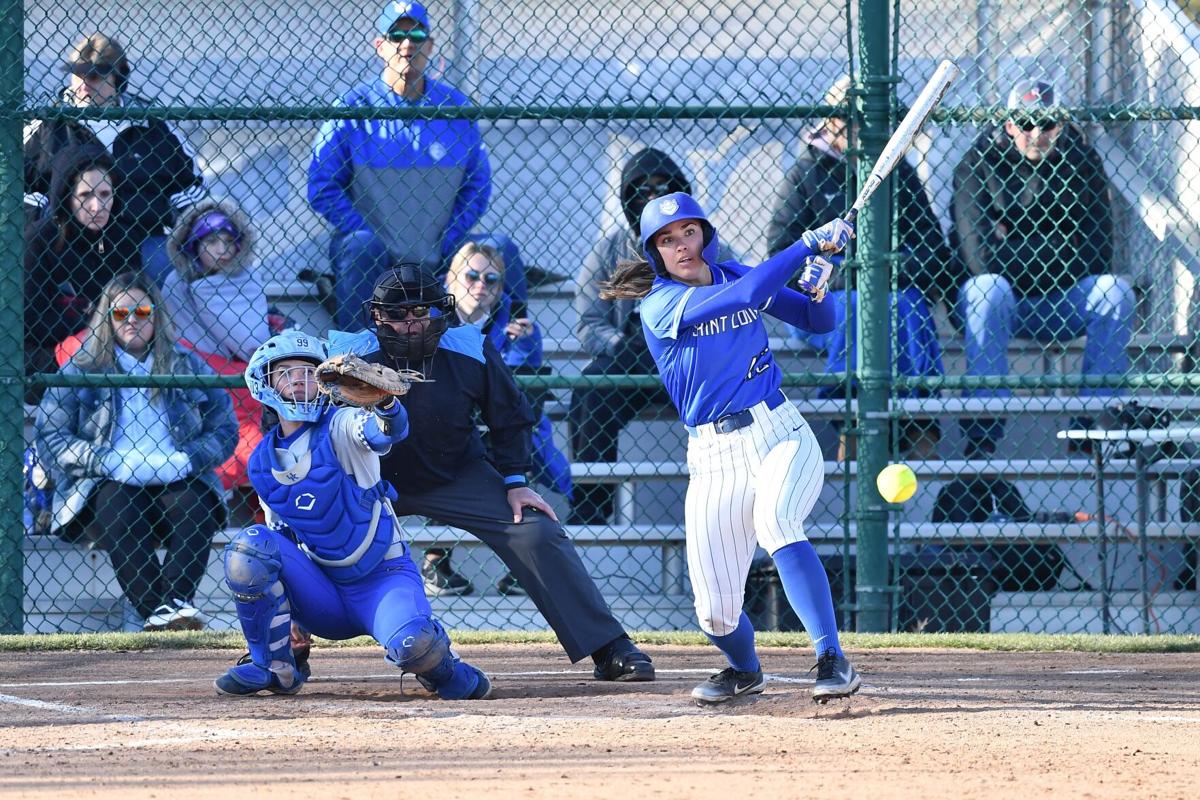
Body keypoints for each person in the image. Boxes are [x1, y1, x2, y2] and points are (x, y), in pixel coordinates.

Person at [320, 264, 655, 682]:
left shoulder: (467, 346)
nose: (410, 325)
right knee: (306, 532)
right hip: (370, 480)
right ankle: (284, 650)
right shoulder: (348, 353)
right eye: (398, 315)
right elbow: (319, 428)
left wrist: (515, 481)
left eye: (420, 313)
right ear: (376, 317)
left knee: (536, 530)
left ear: (439, 310)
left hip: (456, 473)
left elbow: (510, 416)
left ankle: (608, 646)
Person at [602, 191, 861, 705]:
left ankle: (831, 656)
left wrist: (817, 285)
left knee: (778, 521)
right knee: (714, 612)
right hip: (713, 457)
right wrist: (805, 245)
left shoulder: (735, 273)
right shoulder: (661, 304)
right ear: (655, 253)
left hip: (779, 431)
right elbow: (747, 297)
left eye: (689, 233)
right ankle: (745, 670)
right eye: (667, 240)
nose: (682, 247)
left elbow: (819, 322)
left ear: (706, 234)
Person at [213, 331, 492, 699]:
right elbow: (280, 540)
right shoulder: (263, 461)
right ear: (265, 385)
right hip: (323, 594)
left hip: (381, 580)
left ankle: (445, 668)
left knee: (414, 644)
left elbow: (383, 433)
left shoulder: (342, 425)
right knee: (250, 549)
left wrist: (386, 406)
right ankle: (276, 666)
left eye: (308, 371)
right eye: (284, 372)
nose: (298, 378)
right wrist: (294, 617)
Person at [766, 76, 958, 460]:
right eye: (847, 118)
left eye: (865, 119)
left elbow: (933, 250)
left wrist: (885, 271)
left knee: (904, 307)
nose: (856, 127)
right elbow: (781, 257)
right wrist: (855, 272)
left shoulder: (899, 173)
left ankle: (919, 425)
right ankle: (850, 428)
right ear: (831, 120)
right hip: (820, 299)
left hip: (893, 289)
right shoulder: (806, 172)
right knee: (855, 307)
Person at [35, 271, 237, 631]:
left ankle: (173, 605)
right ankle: (157, 611)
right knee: (117, 503)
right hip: (105, 480)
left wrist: (187, 459)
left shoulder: (185, 364)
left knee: (196, 504)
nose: (131, 321)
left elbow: (225, 428)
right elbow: (51, 436)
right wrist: (106, 461)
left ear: (156, 315)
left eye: (142, 312)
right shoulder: (81, 368)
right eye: (120, 312)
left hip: (175, 473)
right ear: (106, 317)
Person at [952, 79, 1130, 457]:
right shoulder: (977, 163)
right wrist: (1060, 247)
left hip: (1060, 302)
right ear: (1009, 124)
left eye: (1047, 124)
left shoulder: (1081, 160)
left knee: (1115, 293)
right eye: (1026, 123)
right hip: (1001, 304)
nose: (1037, 134)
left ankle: (1095, 429)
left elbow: (1099, 251)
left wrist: (1010, 243)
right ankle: (983, 438)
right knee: (988, 288)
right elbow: (978, 257)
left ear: (1060, 125)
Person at [569, 148, 734, 524]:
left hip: (691, 354)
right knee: (588, 391)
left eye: (663, 186)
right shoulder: (613, 247)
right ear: (628, 199)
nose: (652, 195)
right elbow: (589, 319)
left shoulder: (704, 244)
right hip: (630, 357)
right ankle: (591, 509)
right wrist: (617, 348)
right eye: (641, 188)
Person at [307, 1, 491, 328]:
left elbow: (477, 187)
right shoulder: (352, 108)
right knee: (361, 248)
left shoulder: (455, 109)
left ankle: (504, 362)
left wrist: (447, 239)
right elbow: (321, 187)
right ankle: (356, 357)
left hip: (440, 247)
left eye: (417, 34)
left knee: (499, 251)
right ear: (380, 45)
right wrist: (372, 234)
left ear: (430, 45)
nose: (407, 44)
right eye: (397, 35)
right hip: (373, 250)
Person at [437, 239, 573, 596]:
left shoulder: (517, 324)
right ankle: (436, 560)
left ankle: (522, 567)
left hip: (496, 424)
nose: (480, 286)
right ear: (451, 280)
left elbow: (516, 390)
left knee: (523, 452)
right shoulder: (433, 319)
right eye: (471, 275)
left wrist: (525, 348)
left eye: (492, 280)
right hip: (450, 423)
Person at [24, 33, 204, 286]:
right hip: (69, 240)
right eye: (78, 74)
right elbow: (16, 183)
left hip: (140, 237)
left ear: (119, 79)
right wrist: (47, 216)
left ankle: (162, 324)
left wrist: (167, 212)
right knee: (43, 265)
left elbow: (193, 184)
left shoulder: (151, 124)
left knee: (168, 268)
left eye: (95, 76)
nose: (84, 84)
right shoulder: (50, 124)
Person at [162, 200, 271, 492]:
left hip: (246, 370)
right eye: (211, 241)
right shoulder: (177, 283)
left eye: (229, 241)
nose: (222, 250)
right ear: (194, 245)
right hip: (202, 367)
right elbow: (176, 335)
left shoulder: (248, 278)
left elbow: (252, 339)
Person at [25, 142, 137, 404]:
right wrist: (90, 328)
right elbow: (29, 319)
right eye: (85, 195)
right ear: (67, 196)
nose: (97, 206)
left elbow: (134, 302)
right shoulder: (39, 241)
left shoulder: (123, 239)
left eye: (105, 193)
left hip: (110, 345)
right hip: (47, 353)